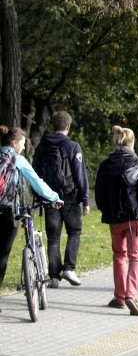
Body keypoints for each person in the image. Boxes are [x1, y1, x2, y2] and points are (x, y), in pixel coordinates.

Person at [95, 125, 138, 316]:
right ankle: (132, 294)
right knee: (136, 256)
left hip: (115, 219)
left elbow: (99, 195)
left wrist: (108, 211)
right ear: (132, 142)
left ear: (116, 142)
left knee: (119, 256)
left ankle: (120, 298)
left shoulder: (106, 165)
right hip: (137, 218)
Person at [0, 127, 63, 311]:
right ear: (13, 143)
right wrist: (54, 197)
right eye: (22, 143)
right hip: (8, 213)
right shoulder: (18, 160)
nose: (24, 146)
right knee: (2, 255)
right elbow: (36, 182)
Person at [33, 111, 90, 288]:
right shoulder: (73, 146)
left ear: (53, 126)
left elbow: (35, 173)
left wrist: (39, 196)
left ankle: (55, 277)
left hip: (50, 198)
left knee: (53, 237)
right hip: (70, 197)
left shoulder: (43, 145)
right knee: (74, 232)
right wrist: (85, 199)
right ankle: (69, 268)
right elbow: (80, 175)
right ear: (68, 127)